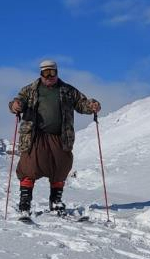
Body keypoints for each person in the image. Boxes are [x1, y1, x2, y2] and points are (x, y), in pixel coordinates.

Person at [9, 59, 101, 217]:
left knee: (61, 166)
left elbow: (81, 103)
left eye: (52, 72)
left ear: (57, 72)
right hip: (35, 136)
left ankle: (56, 200)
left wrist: (92, 105)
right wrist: (15, 106)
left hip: (60, 136)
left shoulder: (67, 90)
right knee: (28, 167)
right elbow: (17, 102)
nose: (49, 76)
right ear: (41, 73)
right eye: (46, 73)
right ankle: (25, 201)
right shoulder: (29, 90)